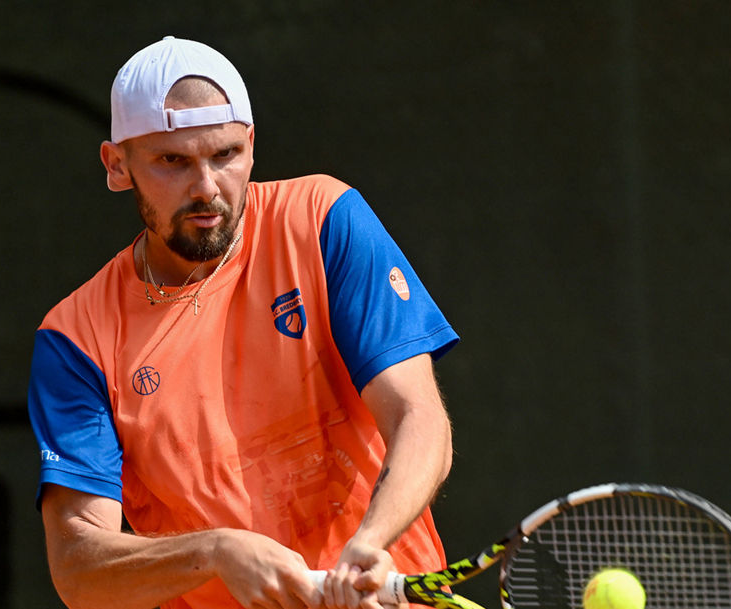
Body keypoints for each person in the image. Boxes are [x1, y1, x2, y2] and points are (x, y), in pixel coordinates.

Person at [28, 36, 459, 609]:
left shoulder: (323, 219)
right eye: (173, 161)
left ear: (252, 145)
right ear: (117, 166)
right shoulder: (75, 337)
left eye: (225, 154)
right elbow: (79, 564)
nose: (206, 187)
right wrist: (216, 552)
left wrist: (370, 543)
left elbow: (417, 415)